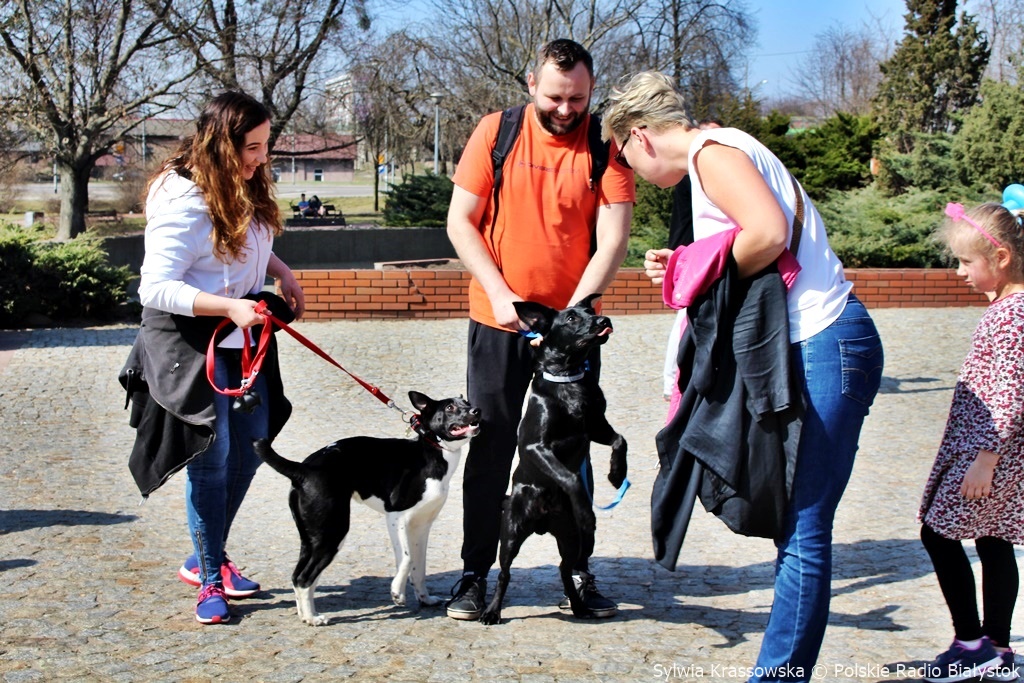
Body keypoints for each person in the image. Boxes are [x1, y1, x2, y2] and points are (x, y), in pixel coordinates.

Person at [602, 71, 883, 681]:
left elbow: (768, 234)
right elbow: (750, 241)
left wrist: (695, 266)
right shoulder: (722, 148)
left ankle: (777, 675)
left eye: (622, 153)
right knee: (797, 526)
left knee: (804, 528)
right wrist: (688, 261)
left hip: (823, 341)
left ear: (639, 135)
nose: (629, 169)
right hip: (819, 342)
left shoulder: (711, 154)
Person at [444, 38, 635, 621]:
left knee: (573, 450)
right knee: (492, 446)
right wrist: (502, 295)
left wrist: (571, 318)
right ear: (532, 84)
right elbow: (461, 222)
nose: (565, 109)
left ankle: (577, 573)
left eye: (577, 98)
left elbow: (614, 238)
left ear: (591, 89)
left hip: (570, 334)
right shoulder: (496, 131)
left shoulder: (605, 143)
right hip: (498, 319)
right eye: (554, 97)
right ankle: (475, 574)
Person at [125, 91, 305, 625]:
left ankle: (206, 553)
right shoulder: (182, 198)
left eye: (266, 145)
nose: (262, 158)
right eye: (252, 147)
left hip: (241, 335)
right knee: (214, 453)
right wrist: (229, 305)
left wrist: (281, 270)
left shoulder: (241, 181)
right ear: (221, 144)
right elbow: (155, 287)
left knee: (254, 445)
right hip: (190, 340)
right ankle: (208, 577)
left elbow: (240, 239)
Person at [917, 202, 1024, 683]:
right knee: (993, 536)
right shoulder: (1010, 307)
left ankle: (971, 644)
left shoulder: (1012, 315)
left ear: (1000, 258)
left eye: (966, 262)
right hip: (999, 453)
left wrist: (985, 460)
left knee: (937, 533)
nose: (959, 272)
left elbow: (1010, 393)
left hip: (989, 453)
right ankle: (998, 648)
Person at [662, 120, 720, 400]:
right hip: (690, 253)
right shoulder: (693, 171)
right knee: (685, 320)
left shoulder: (708, 168)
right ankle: (672, 382)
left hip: (698, 253)